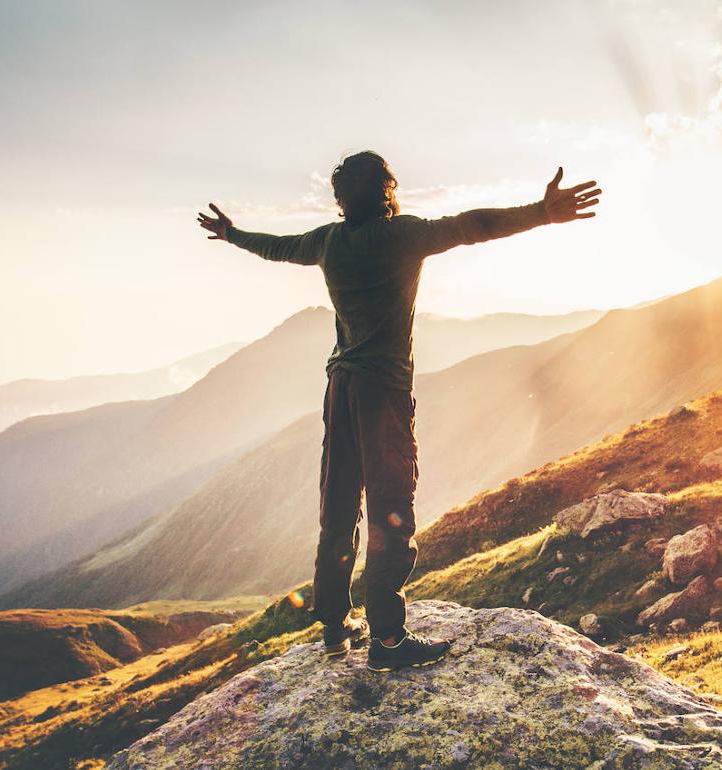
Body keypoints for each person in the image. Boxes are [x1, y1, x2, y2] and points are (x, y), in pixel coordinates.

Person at [198, 151, 601, 672]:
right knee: (391, 505)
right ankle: (388, 640)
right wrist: (542, 213)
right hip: (381, 390)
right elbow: (471, 226)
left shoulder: (327, 241)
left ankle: (334, 629)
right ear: (387, 188)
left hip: (338, 386)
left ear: (342, 201)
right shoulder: (401, 235)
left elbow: (276, 248)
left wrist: (232, 235)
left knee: (338, 503)